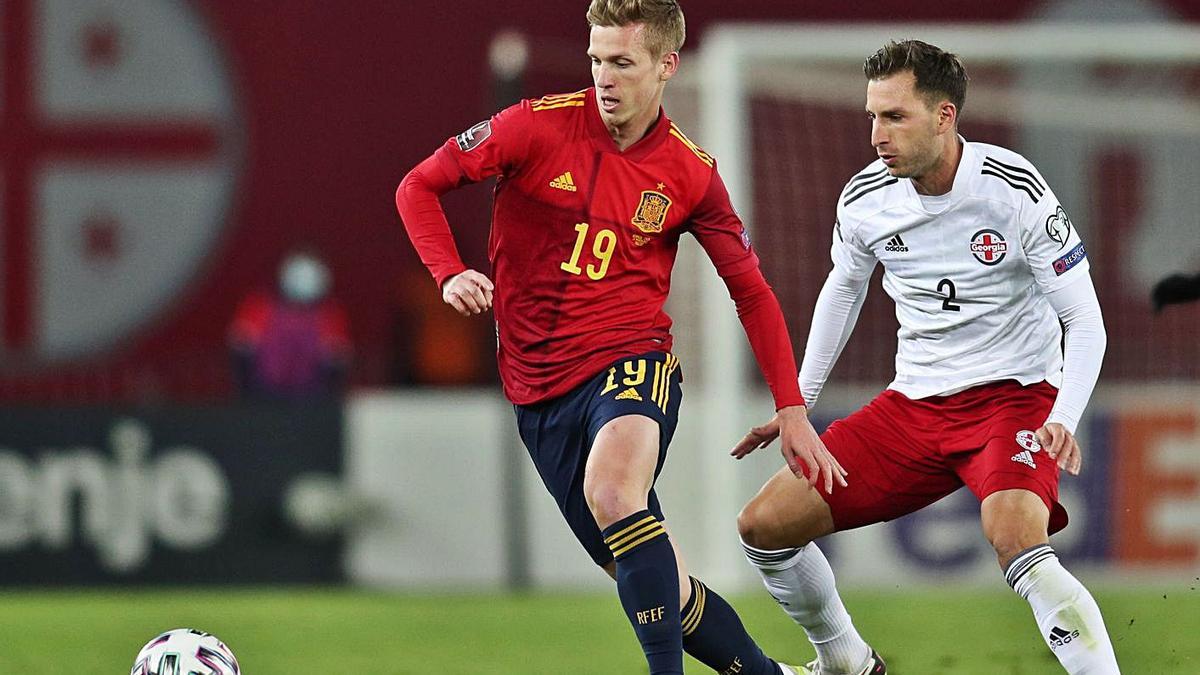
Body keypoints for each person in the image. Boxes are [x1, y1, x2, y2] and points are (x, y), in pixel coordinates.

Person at [395, 2, 851, 673]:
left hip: (632, 362)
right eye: (596, 60)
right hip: (537, 393)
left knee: (612, 491)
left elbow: (750, 290)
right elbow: (417, 186)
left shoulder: (691, 173)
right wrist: (447, 271)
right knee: (663, 584)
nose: (603, 77)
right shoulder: (533, 126)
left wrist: (790, 404)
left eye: (622, 62)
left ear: (666, 67)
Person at [733, 40, 1118, 675]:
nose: (877, 135)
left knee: (1017, 536)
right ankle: (847, 663)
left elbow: (1086, 320)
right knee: (764, 526)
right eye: (872, 116)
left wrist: (1065, 416)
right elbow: (844, 290)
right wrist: (796, 399)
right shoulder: (864, 199)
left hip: (1013, 398)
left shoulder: (1013, 191)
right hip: (913, 407)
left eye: (895, 116)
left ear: (945, 116)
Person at [228, 249, 351, 400]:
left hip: (310, 401)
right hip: (263, 397)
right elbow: (241, 350)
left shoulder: (329, 316)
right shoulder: (259, 308)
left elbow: (336, 362)